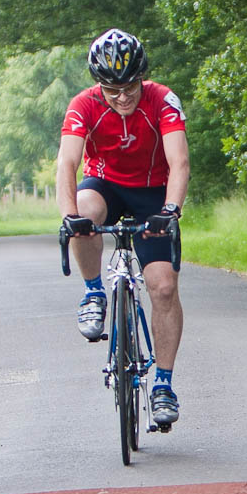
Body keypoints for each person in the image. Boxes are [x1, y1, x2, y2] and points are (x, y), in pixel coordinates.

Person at [56, 28, 190, 426]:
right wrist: (69, 217)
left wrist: (171, 209)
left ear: (142, 78)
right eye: (112, 90)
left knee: (163, 287)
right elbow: (67, 163)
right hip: (105, 188)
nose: (122, 97)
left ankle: (163, 384)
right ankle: (93, 292)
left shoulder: (162, 99)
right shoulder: (83, 104)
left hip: (153, 194)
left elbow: (179, 162)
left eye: (130, 86)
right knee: (83, 209)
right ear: (99, 85)